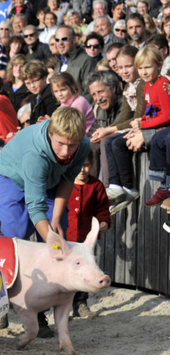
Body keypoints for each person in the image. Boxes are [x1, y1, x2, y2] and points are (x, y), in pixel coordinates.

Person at [0, 107, 90, 337]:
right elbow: (35, 205)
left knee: (59, 233)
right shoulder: (34, 153)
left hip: (51, 182)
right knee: (13, 237)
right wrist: (50, 239)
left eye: (72, 145)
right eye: (60, 143)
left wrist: (56, 218)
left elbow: (69, 177)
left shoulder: (83, 144)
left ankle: (39, 310)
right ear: (50, 133)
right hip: (14, 175)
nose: (66, 151)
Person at [109, 46, 170, 213]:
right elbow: (151, 110)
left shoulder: (162, 83)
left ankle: (162, 185)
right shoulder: (148, 85)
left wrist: (143, 127)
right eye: (140, 68)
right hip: (152, 127)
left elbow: (167, 116)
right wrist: (140, 120)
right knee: (118, 142)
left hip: (162, 131)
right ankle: (120, 186)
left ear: (159, 65)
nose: (143, 72)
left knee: (121, 144)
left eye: (147, 67)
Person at [67, 152, 110, 318]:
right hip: (66, 236)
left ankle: (80, 304)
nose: (82, 170)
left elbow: (102, 207)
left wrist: (104, 221)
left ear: (91, 165)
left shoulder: (96, 185)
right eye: (79, 165)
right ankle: (62, 306)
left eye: (86, 165)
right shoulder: (65, 183)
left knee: (85, 271)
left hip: (86, 240)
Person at [54, 26, 97, 102]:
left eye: (64, 39)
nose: (60, 43)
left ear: (74, 40)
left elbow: (90, 92)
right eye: (57, 40)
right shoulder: (59, 63)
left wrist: (75, 109)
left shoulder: (87, 61)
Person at [23, 60, 59, 125]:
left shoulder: (52, 95)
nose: (32, 86)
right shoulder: (34, 98)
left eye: (35, 81)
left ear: (44, 78)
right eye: (28, 83)